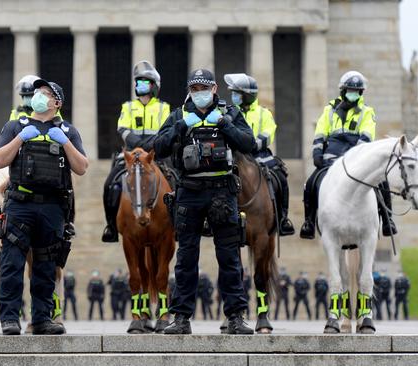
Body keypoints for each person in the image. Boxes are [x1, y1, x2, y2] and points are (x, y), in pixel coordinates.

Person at [155, 69, 255, 335]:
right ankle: (181, 318)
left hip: (222, 191)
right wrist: (180, 127)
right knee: (186, 258)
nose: (199, 93)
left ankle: (235, 316)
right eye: (194, 88)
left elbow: (249, 144)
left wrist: (224, 125)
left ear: (214, 89)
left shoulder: (230, 113)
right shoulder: (179, 115)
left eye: (204, 87)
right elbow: (159, 147)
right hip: (189, 191)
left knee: (230, 257)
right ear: (190, 90)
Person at [0, 78, 87, 335]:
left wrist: (65, 142)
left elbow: (81, 168)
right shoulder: (15, 126)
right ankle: (10, 318)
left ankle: (42, 318)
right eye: (37, 92)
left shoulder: (68, 131)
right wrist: (20, 139)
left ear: (57, 103)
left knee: (45, 267)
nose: (38, 96)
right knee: (12, 264)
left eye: (45, 93)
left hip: (53, 206)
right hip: (20, 204)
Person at [300, 71, 396, 239]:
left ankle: (388, 220)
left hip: (356, 158)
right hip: (331, 158)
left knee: (382, 182)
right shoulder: (329, 110)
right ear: (343, 91)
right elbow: (320, 133)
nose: (354, 93)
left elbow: (366, 136)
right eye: (350, 90)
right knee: (310, 183)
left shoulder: (367, 112)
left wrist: (354, 159)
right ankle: (308, 221)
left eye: (357, 91)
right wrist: (317, 152)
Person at [101, 60, 170, 242]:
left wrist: (148, 147)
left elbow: (165, 131)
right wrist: (138, 144)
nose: (140, 86)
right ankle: (111, 226)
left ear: (154, 86)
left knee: (176, 182)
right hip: (131, 155)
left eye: (144, 83)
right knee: (110, 184)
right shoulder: (128, 106)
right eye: (138, 83)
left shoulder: (163, 108)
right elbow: (122, 128)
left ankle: (177, 222)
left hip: (157, 155)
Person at [224, 73, 294, 235]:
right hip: (235, 155)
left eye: (237, 94)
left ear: (247, 96)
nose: (233, 96)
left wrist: (250, 145)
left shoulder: (264, 113)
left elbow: (268, 134)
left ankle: (283, 218)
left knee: (281, 177)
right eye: (233, 93)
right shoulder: (229, 113)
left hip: (259, 154)